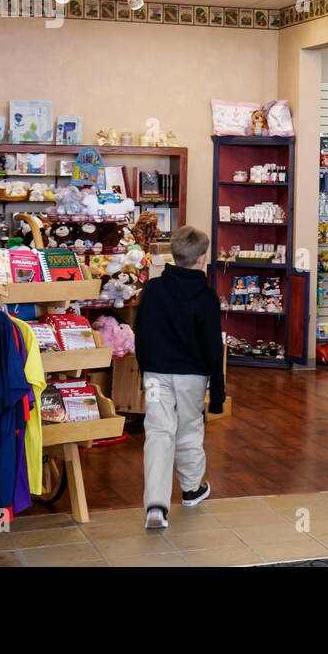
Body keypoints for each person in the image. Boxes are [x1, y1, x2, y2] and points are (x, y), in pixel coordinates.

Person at [134, 224, 225, 529]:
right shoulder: (207, 297)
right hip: (192, 377)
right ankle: (191, 489)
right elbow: (214, 347)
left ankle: (156, 505)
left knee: (158, 432)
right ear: (202, 258)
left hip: (156, 374)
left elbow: (141, 333)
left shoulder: (154, 289)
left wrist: (145, 370)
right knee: (188, 430)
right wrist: (219, 392)